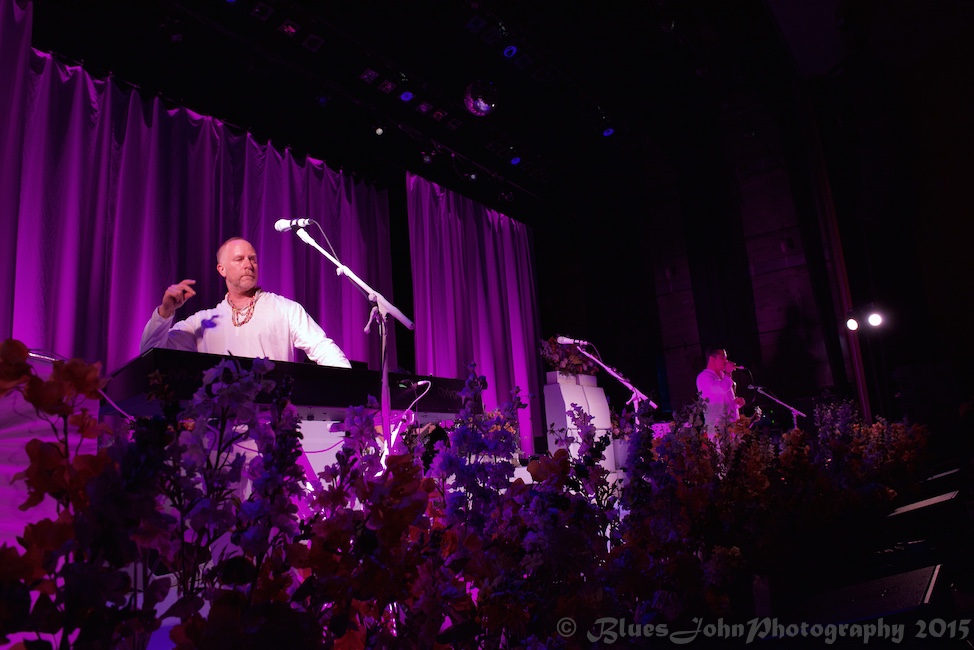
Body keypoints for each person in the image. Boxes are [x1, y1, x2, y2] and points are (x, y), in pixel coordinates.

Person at [140, 237, 351, 368]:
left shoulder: (286, 309)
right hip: (219, 433)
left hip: (271, 430)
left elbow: (323, 348)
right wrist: (165, 311)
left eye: (253, 259)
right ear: (221, 269)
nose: (249, 265)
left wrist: (349, 390)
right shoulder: (203, 321)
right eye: (239, 259)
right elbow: (151, 354)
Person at [695, 347, 745, 434]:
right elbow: (721, 389)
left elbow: (723, 401)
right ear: (711, 358)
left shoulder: (723, 376)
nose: (726, 361)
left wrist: (735, 403)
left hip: (732, 426)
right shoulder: (704, 377)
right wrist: (728, 373)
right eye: (723, 358)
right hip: (718, 428)